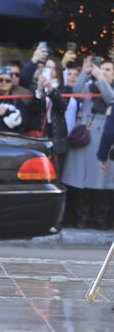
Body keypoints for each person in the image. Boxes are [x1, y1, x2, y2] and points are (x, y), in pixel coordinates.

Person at [63, 59, 114, 229]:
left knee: (102, 183)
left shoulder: (107, 86)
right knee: (81, 180)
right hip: (84, 135)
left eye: (108, 70)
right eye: (102, 69)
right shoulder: (88, 84)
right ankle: (81, 219)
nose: (104, 72)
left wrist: (101, 79)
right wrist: (85, 73)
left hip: (103, 137)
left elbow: (111, 100)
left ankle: (101, 220)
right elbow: (75, 93)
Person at [0, 66, 36, 133]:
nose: (4, 82)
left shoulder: (16, 100)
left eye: (7, 81)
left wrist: (6, 112)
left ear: (11, 83)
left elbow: (24, 120)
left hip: (8, 137)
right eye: (0, 80)